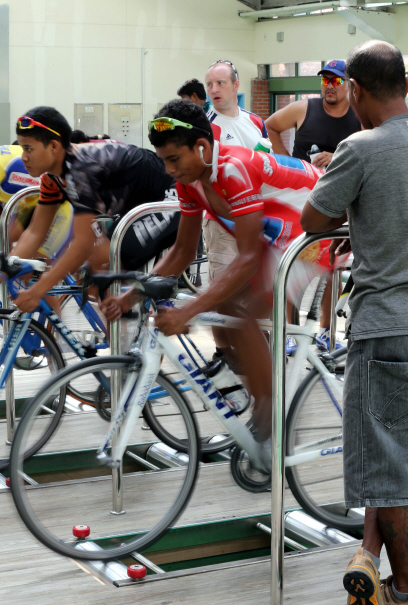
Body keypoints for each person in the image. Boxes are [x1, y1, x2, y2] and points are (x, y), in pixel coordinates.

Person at [100, 99, 324, 460]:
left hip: (318, 229)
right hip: (281, 233)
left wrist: (187, 314)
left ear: (202, 147)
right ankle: (260, 397)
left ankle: (274, 420)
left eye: (174, 159)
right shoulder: (192, 179)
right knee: (224, 302)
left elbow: (249, 259)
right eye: (164, 161)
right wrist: (132, 295)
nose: (169, 170)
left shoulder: (233, 168)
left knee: (246, 312)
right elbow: (183, 251)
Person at [301, 41, 408, 605]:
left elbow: (312, 219)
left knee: (387, 465)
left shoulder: (360, 147)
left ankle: (405, 592)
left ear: (358, 93)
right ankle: (374, 564)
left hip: (385, 328)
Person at [9, 106, 180, 313]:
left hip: (170, 195)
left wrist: (38, 289)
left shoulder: (81, 170)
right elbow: (35, 232)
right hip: (134, 205)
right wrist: (6, 271)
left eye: (28, 149)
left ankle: (133, 324)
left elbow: (83, 244)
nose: (23, 157)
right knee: (95, 276)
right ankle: (122, 332)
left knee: (106, 262)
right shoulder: (51, 178)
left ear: (53, 146)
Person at [266, 60, 361, 352]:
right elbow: (270, 125)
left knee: (329, 265)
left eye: (336, 81)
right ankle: (289, 331)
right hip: (300, 199)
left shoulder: (358, 116)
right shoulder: (304, 108)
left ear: (348, 85)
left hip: (337, 200)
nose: (329, 87)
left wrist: (337, 157)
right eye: (325, 80)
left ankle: (325, 330)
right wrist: (288, 164)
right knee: (293, 264)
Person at [204, 60, 269, 366]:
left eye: (220, 83)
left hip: (255, 218)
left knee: (255, 288)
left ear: (235, 85)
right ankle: (223, 353)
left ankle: (254, 348)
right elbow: (205, 182)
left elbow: (268, 165)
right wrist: (228, 215)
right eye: (210, 85)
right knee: (222, 290)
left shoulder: (255, 121)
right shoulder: (207, 127)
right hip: (221, 221)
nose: (215, 90)